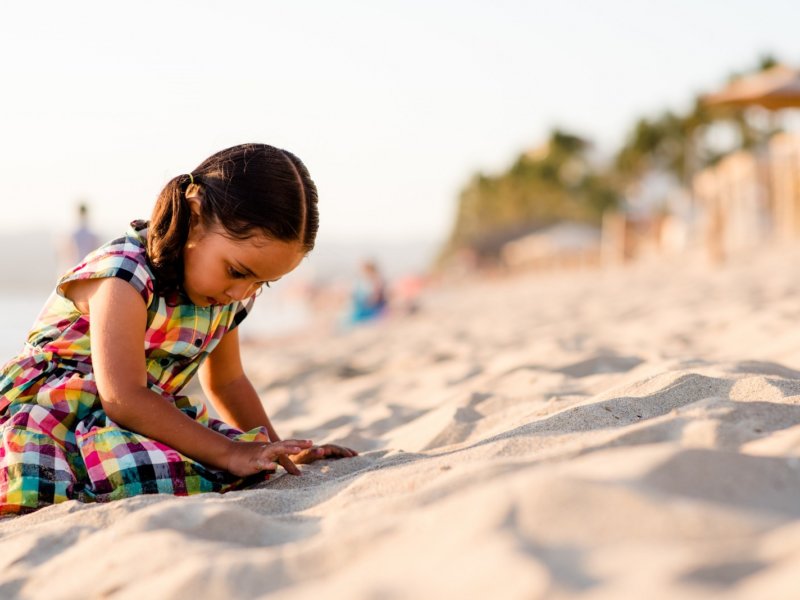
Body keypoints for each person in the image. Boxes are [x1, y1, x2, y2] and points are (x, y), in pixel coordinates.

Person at [0, 144, 357, 514]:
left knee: (221, 464)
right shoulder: (124, 275)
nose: (242, 292)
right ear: (196, 214)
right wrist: (230, 451)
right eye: (237, 271)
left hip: (135, 417)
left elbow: (228, 383)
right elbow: (123, 396)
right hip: (55, 412)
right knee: (134, 467)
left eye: (262, 283)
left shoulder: (227, 297)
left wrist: (280, 450)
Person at [346, 259, 388, 325]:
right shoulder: (361, 282)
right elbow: (354, 297)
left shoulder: (377, 282)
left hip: (374, 310)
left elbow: (375, 299)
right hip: (361, 308)